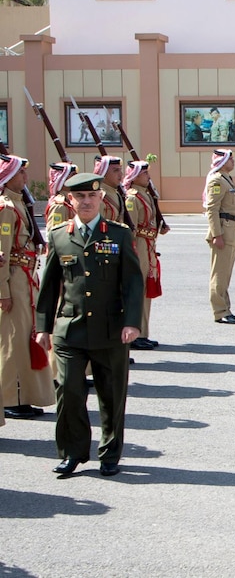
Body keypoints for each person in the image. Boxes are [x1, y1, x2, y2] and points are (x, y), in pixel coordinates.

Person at [35, 172, 144, 477]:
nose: (85, 202)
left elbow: (133, 284)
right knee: (68, 391)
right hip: (70, 329)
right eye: (79, 197)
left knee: (111, 395)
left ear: (100, 199)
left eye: (91, 197)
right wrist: (43, 326)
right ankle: (73, 452)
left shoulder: (119, 234)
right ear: (70, 201)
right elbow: (49, 285)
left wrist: (132, 323)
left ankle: (110, 454)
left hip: (110, 330)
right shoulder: (58, 235)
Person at [0, 155, 54, 420]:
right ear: (9, 177)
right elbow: (2, 252)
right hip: (14, 280)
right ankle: (11, 397)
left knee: (26, 339)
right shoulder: (6, 208)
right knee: (13, 343)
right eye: (20, 174)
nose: (25, 178)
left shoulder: (18, 203)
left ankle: (24, 395)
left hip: (26, 278)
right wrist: (3, 293)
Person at [124, 160, 167, 351]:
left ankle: (143, 332)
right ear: (135, 176)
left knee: (146, 290)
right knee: (138, 290)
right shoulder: (132, 198)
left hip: (148, 246)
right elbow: (131, 229)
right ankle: (136, 334)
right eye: (144, 174)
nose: (148, 176)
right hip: (140, 246)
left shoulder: (146, 196)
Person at [204, 149, 235, 324]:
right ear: (222, 161)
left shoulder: (226, 179)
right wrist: (216, 235)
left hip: (230, 229)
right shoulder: (217, 180)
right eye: (230, 159)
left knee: (225, 273)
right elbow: (212, 209)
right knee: (219, 273)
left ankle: (226, 308)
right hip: (223, 230)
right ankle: (220, 311)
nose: (233, 162)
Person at [45, 162, 79, 231]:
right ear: (62, 179)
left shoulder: (70, 201)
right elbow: (55, 234)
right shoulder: (59, 206)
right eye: (72, 176)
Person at [94, 155, 127, 224]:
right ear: (104, 173)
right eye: (116, 170)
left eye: (120, 170)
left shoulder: (117, 194)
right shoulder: (99, 197)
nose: (121, 174)